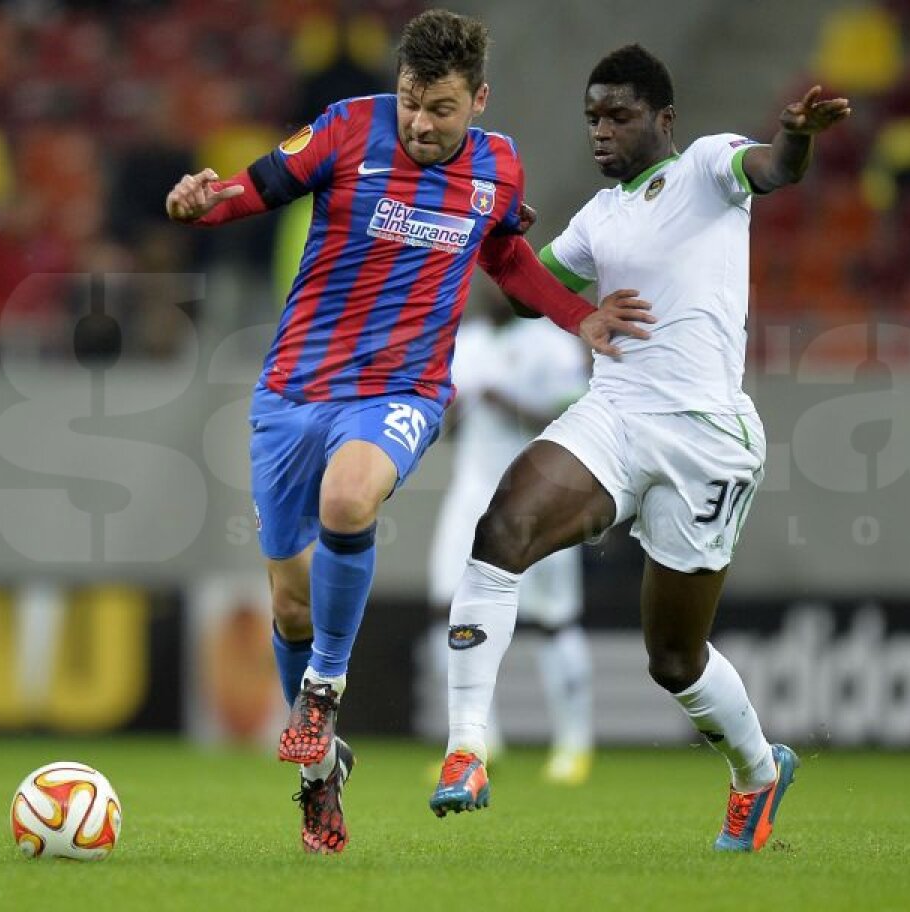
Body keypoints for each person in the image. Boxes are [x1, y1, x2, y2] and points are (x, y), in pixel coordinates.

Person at [165, 10, 652, 855]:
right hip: (292, 390)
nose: (421, 123)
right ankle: (319, 776)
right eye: (412, 101)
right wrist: (205, 206)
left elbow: (506, 259)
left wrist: (578, 317)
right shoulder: (348, 127)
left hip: (401, 389)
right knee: (287, 601)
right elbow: (256, 187)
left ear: (480, 100)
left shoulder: (499, 165)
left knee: (348, 502)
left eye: (442, 108)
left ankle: (323, 688)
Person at [429, 44, 850, 853]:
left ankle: (758, 773)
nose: (601, 131)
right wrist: (498, 242)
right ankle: (466, 750)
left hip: (705, 438)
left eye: (618, 116)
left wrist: (795, 138)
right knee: (502, 531)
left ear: (663, 119)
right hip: (615, 415)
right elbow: (527, 294)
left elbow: (773, 169)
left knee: (674, 660)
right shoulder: (600, 216)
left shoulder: (706, 165)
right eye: (592, 117)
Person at [427, 291, 593, 784]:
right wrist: (454, 416)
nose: (491, 290)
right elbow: (450, 422)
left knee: (552, 620)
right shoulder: (467, 341)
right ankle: (480, 741)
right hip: (470, 490)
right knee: (444, 608)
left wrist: (511, 403)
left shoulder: (553, 343)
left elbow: (579, 417)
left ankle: (574, 743)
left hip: (535, 492)